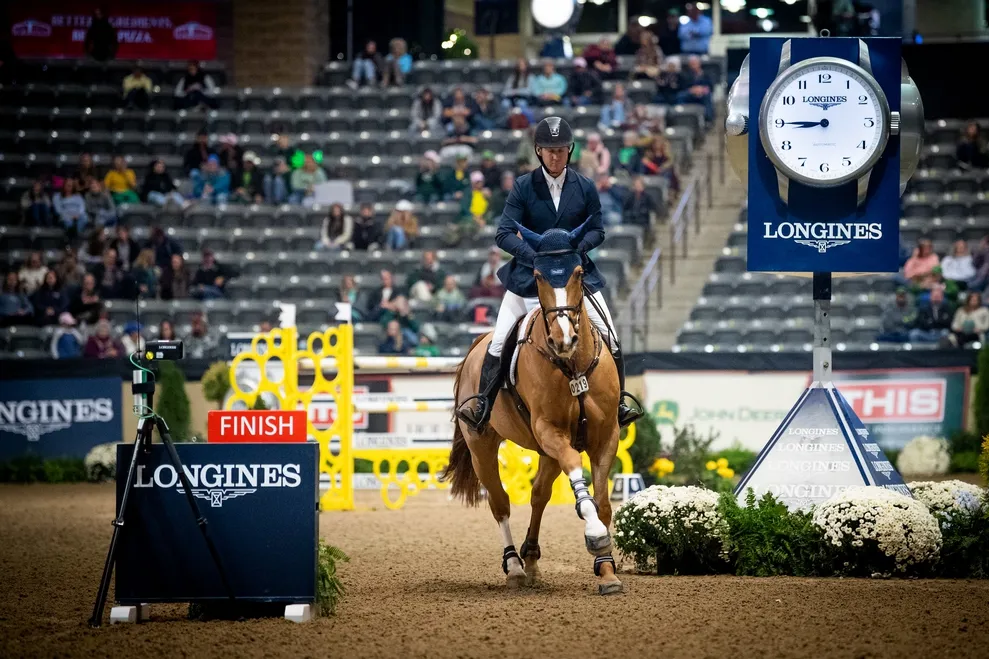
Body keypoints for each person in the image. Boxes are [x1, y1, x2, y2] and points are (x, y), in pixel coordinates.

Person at [454, 116, 643, 433]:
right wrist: (534, 257)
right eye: (549, 150)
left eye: (561, 150)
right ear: (538, 152)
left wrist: (575, 252)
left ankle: (619, 402)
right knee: (499, 342)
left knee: (609, 335)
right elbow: (503, 234)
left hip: (574, 280)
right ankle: (482, 404)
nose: (555, 156)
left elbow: (598, 230)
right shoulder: (523, 187)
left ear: (569, 150)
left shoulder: (584, 187)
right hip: (529, 280)